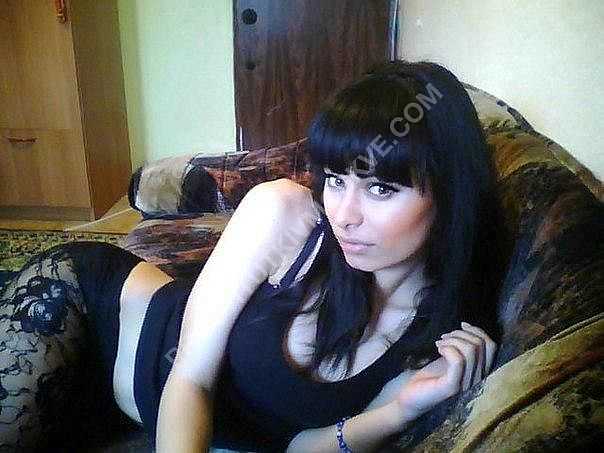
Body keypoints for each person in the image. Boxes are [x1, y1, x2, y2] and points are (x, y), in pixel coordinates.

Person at [0, 60, 507, 452]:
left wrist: (397, 411)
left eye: (379, 189)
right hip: (91, 320)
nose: (344, 215)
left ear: (450, 195)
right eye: (336, 180)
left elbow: (298, 446)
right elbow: (190, 375)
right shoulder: (283, 213)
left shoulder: (438, 338)